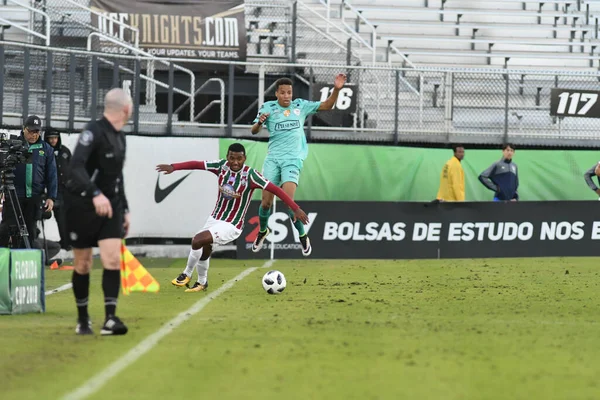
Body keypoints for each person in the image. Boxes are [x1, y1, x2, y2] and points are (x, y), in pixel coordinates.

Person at [156, 143, 309, 292]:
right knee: (206, 249)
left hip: (232, 224)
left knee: (197, 240)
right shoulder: (221, 167)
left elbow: (275, 189)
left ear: (245, 158)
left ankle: (187, 273)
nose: (235, 162)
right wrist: (174, 167)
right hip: (214, 219)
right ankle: (202, 282)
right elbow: (197, 164)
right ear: (227, 157)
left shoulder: (251, 175)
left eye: (239, 159)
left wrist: (295, 208)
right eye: (232, 158)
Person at [250, 74, 347, 257]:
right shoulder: (268, 108)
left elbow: (326, 105)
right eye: (283, 93)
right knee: (265, 203)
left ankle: (302, 236)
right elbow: (254, 130)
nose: (287, 96)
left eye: (289, 92)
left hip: (292, 160)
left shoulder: (300, 105)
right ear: (277, 94)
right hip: (272, 160)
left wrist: (336, 89)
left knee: (289, 202)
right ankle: (263, 231)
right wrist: (260, 123)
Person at [64, 88, 131, 336]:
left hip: (110, 206)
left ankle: (110, 319)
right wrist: (94, 194)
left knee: (112, 258)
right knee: (83, 263)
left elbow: (117, 176)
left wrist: (125, 208)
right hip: (82, 206)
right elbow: (75, 166)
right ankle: (83, 320)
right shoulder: (93, 132)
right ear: (126, 109)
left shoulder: (121, 137)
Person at [0, 115, 57, 249]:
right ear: (24, 129)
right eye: (31, 131)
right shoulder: (13, 145)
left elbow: (52, 175)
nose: (34, 135)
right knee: (9, 228)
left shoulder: (46, 149)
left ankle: (27, 259)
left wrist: (51, 197)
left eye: (37, 132)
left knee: (30, 230)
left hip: (34, 197)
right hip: (14, 196)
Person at [44, 128, 72, 250]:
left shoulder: (65, 151)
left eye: (55, 137)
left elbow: (72, 169)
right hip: (48, 190)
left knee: (64, 217)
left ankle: (66, 242)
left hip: (65, 190)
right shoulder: (43, 151)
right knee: (43, 215)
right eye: (51, 138)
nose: (53, 140)